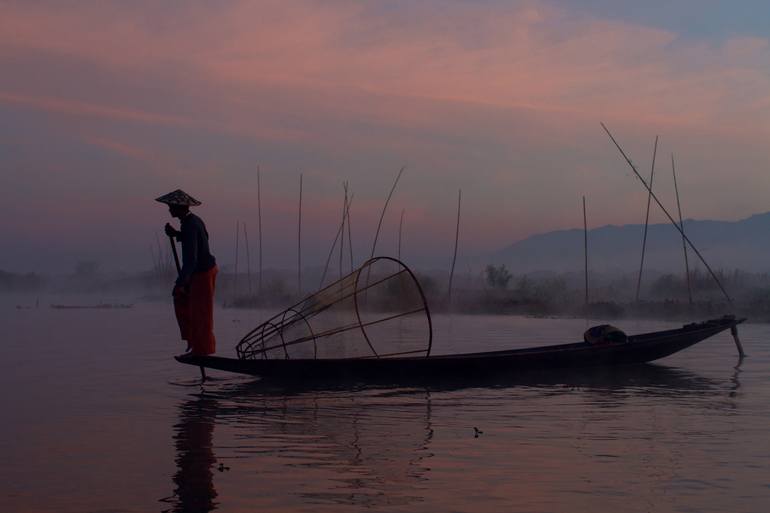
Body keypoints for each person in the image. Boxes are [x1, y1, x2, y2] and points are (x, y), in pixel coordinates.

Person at [156, 189, 218, 361]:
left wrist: (181, 282)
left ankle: (201, 350)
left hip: (202, 273)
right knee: (188, 307)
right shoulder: (191, 222)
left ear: (180, 207)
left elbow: (191, 259)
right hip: (201, 271)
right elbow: (203, 237)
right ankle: (195, 343)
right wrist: (177, 235)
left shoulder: (191, 224)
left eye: (171, 207)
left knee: (200, 313)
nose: (169, 210)